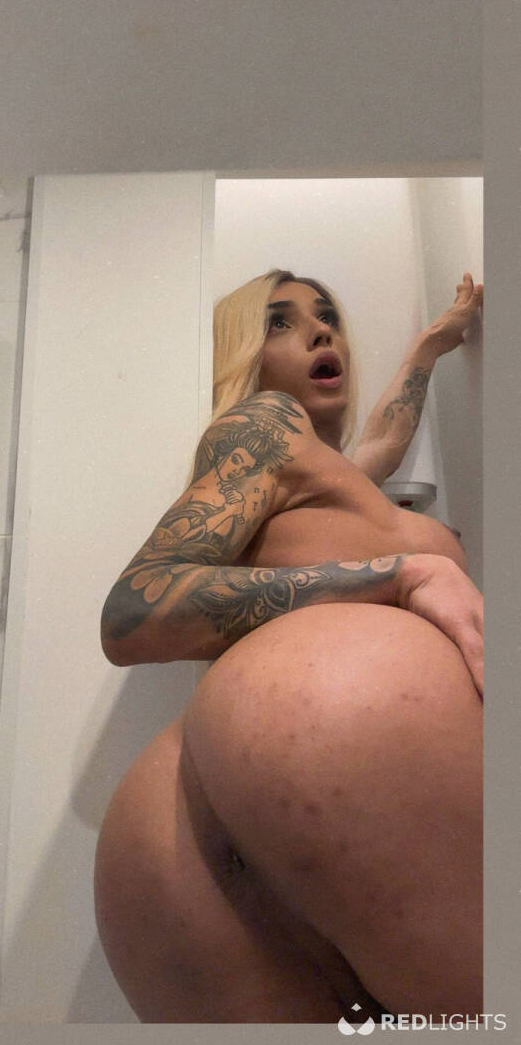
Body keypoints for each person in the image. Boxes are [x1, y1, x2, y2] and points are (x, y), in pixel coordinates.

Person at [94, 268, 484, 1025]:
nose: (319, 329)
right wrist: (402, 574)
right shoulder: (264, 424)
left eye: (326, 314)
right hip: (330, 755)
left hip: (192, 827)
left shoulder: (330, 477)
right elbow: (135, 611)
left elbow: (385, 438)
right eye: (279, 321)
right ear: (243, 352)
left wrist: (431, 346)